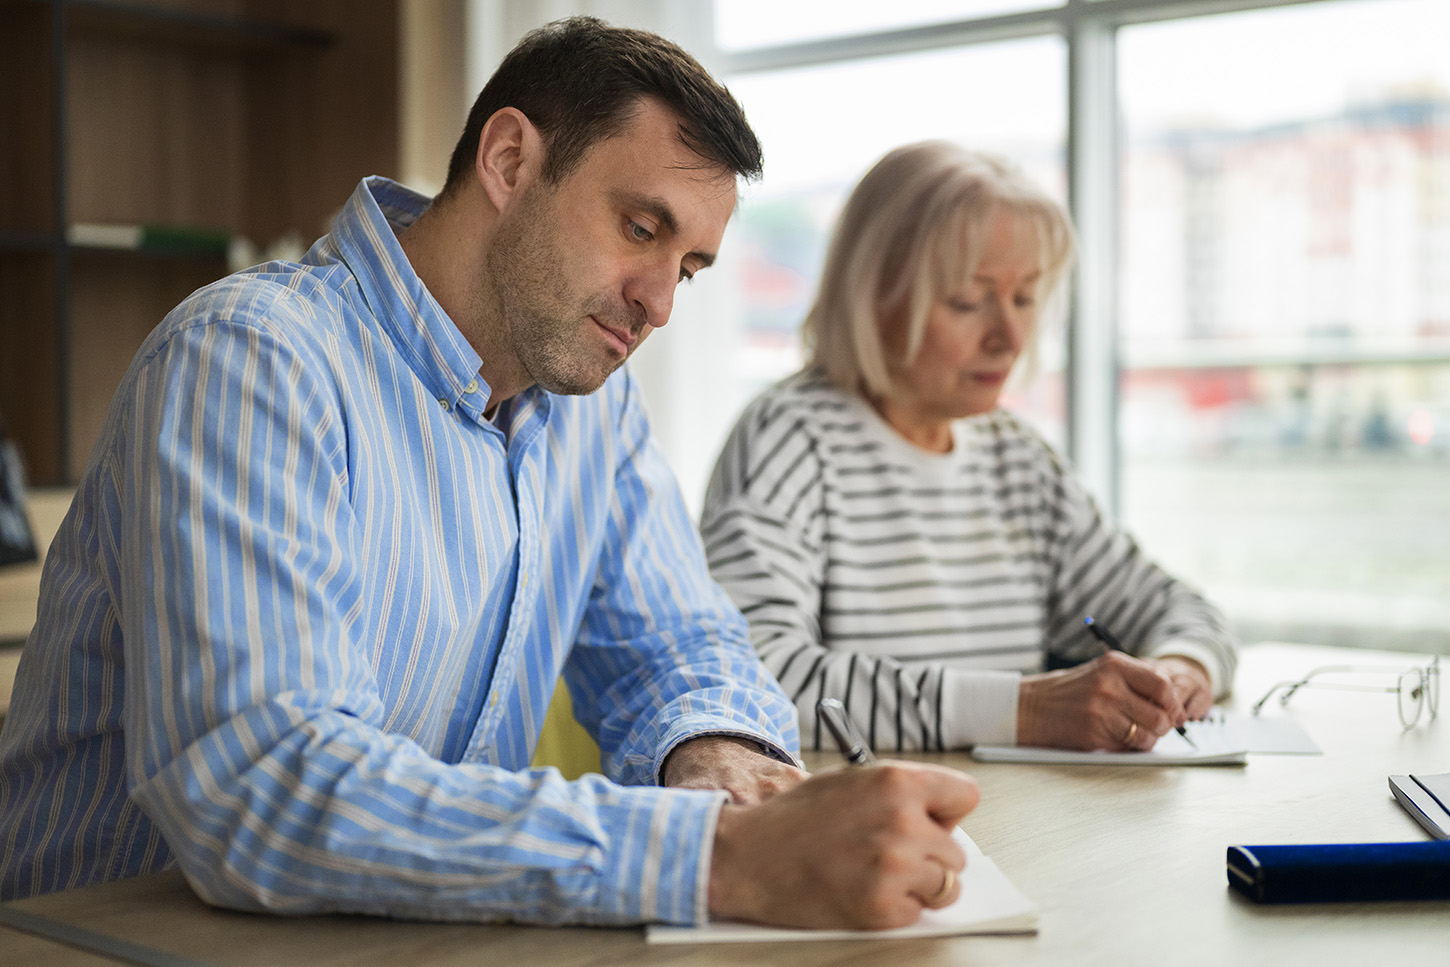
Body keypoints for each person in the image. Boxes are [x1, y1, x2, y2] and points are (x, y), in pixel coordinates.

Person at [0, 20, 979, 930]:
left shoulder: (592, 412)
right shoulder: (250, 362)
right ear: (509, 161)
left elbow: (676, 641)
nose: (658, 305)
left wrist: (718, 758)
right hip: (98, 944)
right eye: (642, 228)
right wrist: (711, 853)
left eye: (686, 267)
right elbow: (263, 788)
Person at [701, 142, 1237, 755]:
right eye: (968, 301)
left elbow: (1183, 611)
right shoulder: (790, 440)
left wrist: (1180, 670)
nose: (1008, 337)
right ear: (875, 296)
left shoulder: (1017, 458)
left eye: (1025, 297)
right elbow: (751, 680)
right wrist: (1025, 710)